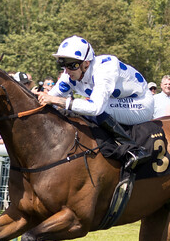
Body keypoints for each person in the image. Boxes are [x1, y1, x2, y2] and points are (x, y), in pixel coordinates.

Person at [37, 35, 152, 170]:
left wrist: (59, 101)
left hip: (141, 103)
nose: (67, 71)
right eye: (63, 65)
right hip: (117, 101)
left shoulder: (105, 70)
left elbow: (96, 108)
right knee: (84, 107)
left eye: (71, 65)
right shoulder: (70, 74)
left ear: (86, 63)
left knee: (94, 108)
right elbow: (49, 97)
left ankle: (134, 149)